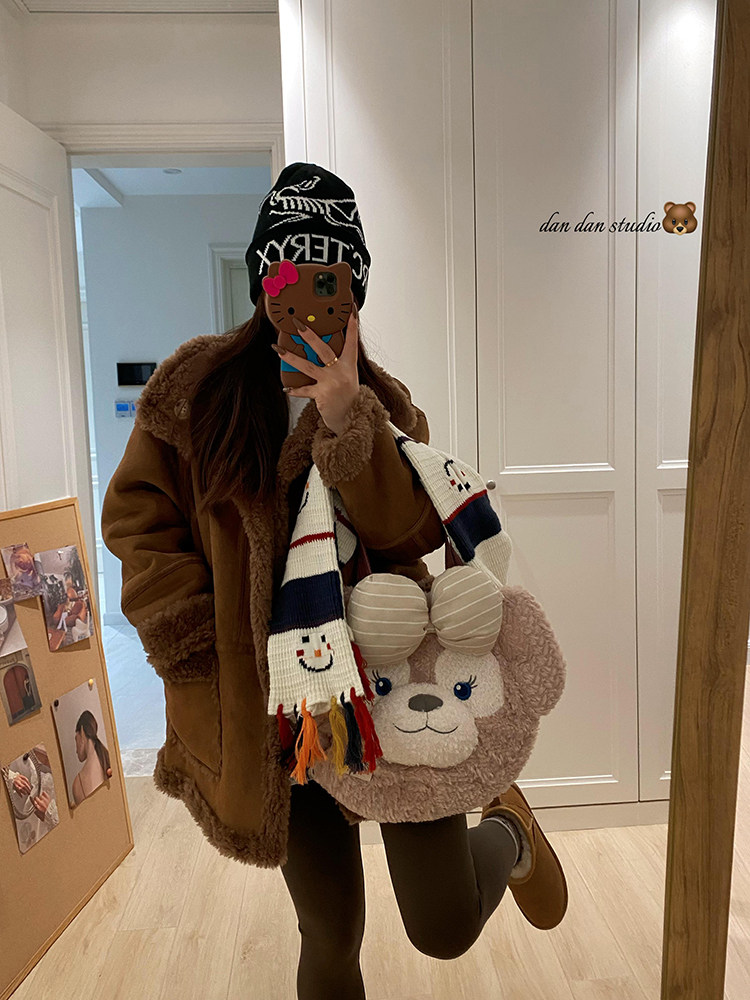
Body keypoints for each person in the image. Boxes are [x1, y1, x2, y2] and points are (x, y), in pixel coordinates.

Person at [101, 162, 566, 1000]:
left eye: (330, 280)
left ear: (353, 290)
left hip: (384, 689)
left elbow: (414, 536)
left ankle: (508, 832)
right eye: (287, 274)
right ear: (261, 280)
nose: (306, 298)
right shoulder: (195, 391)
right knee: (330, 931)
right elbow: (139, 520)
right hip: (275, 707)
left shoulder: (387, 404)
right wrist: (189, 635)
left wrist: (351, 423)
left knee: (443, 925)